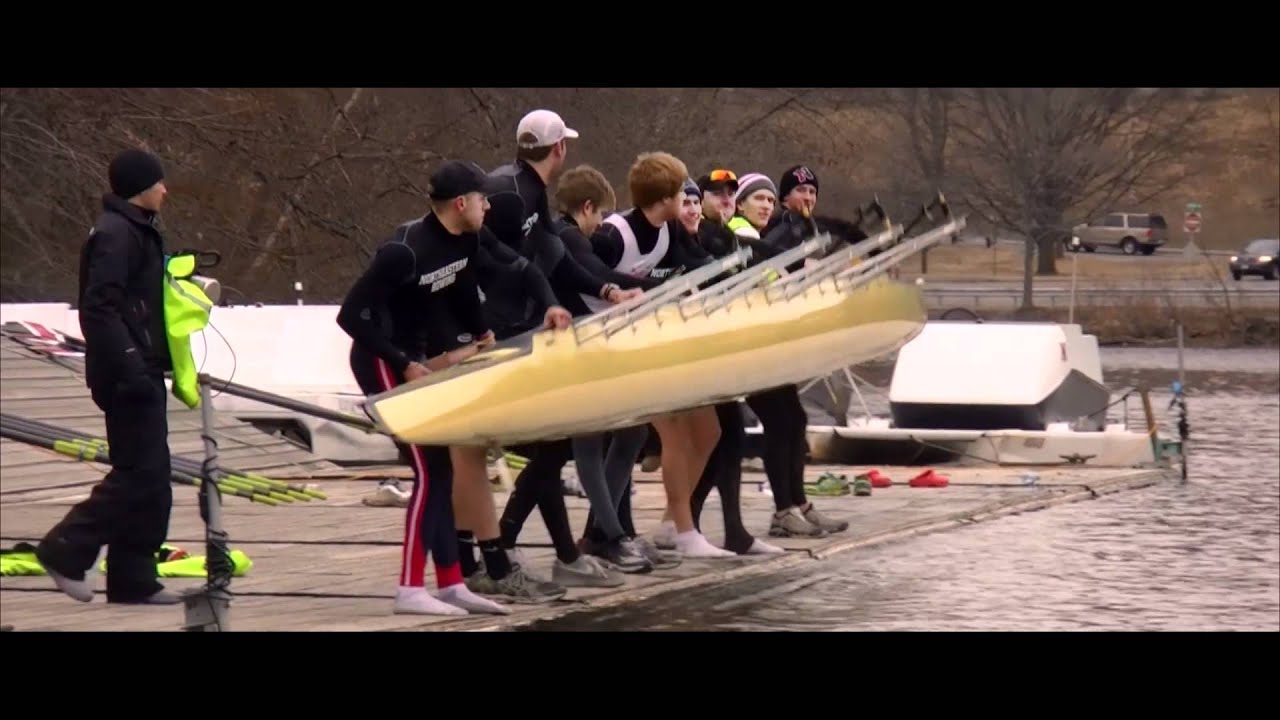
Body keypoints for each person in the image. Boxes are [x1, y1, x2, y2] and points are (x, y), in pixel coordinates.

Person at [337, 159, 563, 615]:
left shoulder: (469, 238)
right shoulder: (404, 250)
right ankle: (408, 589)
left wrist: (483, 335)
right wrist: (402, 363)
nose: (487, 207)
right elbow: (351, 315)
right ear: (461, 203)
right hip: (381, 360)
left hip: (415, 358)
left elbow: (464, 290)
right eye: (482, 200)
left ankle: (451, 582)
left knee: (441, 472)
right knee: (427, 473)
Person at [479, 112, 656, 580]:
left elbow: (555, 261)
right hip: (495, 333)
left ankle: (551, 553)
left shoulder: (528, 191)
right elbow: (493, 264)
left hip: (519, 326)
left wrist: (609, 292)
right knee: (549, 448)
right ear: (559, 149)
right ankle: (509, 552)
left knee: (551, 449)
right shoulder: (510, 195)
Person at [35, 148, 182, 605]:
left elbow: (139, 302)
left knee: (153, 478)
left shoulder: (136, 228)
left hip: (142, 366)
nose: (165, 189)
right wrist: (130, 363)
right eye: (158, 182)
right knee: (140, 474)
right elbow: (99, 306)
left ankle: (132, 575)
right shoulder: (118, 233)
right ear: (142, 188)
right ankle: (65, 547)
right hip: (126, 372)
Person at [578, 151, 735, 560]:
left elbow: (698, 265)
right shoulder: (613, 235)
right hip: (601, 349)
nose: (687, 199)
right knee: (674, 433)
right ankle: (680, 528)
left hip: (647, 342)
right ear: (665, 197)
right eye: (681, 192)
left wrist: (737, 271)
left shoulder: (669, 232)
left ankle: (664, 524)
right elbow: (580, 276)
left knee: (709, 431)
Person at [723, 170, 849, 538]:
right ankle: (784, 511)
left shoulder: (765, 233)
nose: (765, 205)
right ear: (741, 204)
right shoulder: (742, 232)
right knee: (782, 422)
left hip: (769, 346)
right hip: (750, 348)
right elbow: (770, 277)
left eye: (767, 199)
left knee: (793, 419)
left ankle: (798, 504)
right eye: (757, 199)